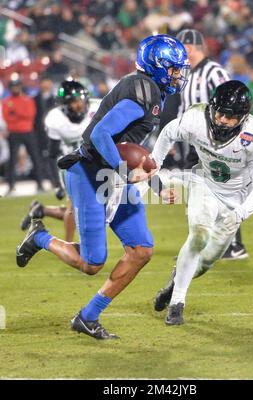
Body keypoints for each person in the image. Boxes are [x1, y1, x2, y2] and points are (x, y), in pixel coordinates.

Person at [16, 34, 190, 339]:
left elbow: (131, 147)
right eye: (174, 68)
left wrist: (157, 184)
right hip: (88, 173)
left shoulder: (151, 89)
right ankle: (40, 237)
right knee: (92, 262)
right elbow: (101, 136)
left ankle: (87, 316)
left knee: (141, 250)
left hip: (110, 174)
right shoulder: (143, 91)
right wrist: (124, 172)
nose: (179, 74)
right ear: (157, 66)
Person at [152, 80, 253, 324]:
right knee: (198, 237)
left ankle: (175, 281)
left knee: (205, 263)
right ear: (212, 108)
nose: (222, 120)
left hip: (234, 200)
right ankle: (177, 303)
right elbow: (167, 133)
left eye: (230, 117)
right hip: (204, 185)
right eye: (219, 112)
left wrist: (240, 213)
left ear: (243, 118)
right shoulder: (196, 120)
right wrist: (154, 166)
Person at [176, 29, 248, 260]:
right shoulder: (186, 74)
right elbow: (184, 109)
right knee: (198, 194)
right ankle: (205, 244)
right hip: (193, 143)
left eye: (181, 47)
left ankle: (234, 245)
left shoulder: (213, 72)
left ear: (190, 47)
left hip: (214, 141)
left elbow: (233, 100)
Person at [20, 79, 101, 242]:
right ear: (64, 105)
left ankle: (41, 210)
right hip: (69, 165)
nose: (80, 106)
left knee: (88, 209)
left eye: (81, 102)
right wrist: (57, 183)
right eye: (75, 103)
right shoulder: (55, 119)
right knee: (75, 206)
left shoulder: (97, 107)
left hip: (92, 162)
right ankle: (68, 244)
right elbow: (52, 154)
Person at [2, 78, 44, 195]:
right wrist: (17, 114)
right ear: (10, 88)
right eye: (13, 87)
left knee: (35, 157)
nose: (15, 89)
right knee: (12, 160)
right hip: (14, 132)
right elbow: (7, 116)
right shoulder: (6, 101)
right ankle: (11, 186)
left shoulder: (28, 100)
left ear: (20, 87)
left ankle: (40, 183)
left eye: (17, 86)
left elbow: (30, 115)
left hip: (27, 131)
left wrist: (15, 112)